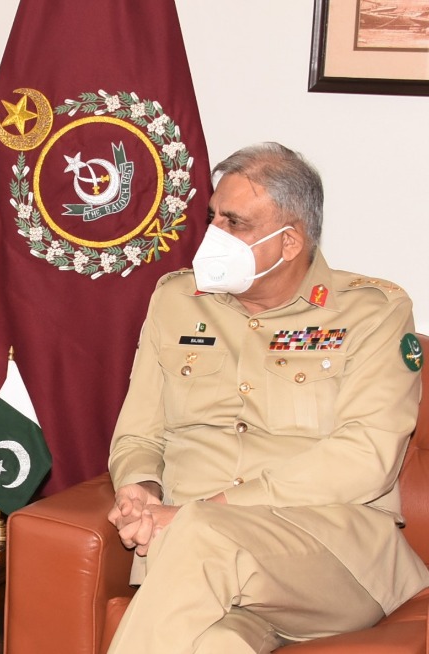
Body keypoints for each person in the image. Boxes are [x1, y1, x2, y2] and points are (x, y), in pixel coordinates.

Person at [105, 142, 429, 653]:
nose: (214, 235)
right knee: (215, 645)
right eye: (213, 217)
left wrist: (212, 509)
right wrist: (140, 489)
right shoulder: (175, 300)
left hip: (328, 555)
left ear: (290, 241)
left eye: (235, 223)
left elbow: (368, 458)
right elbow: (139, 434)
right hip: (198, 564)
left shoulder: (372, 312)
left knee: (202, 531)